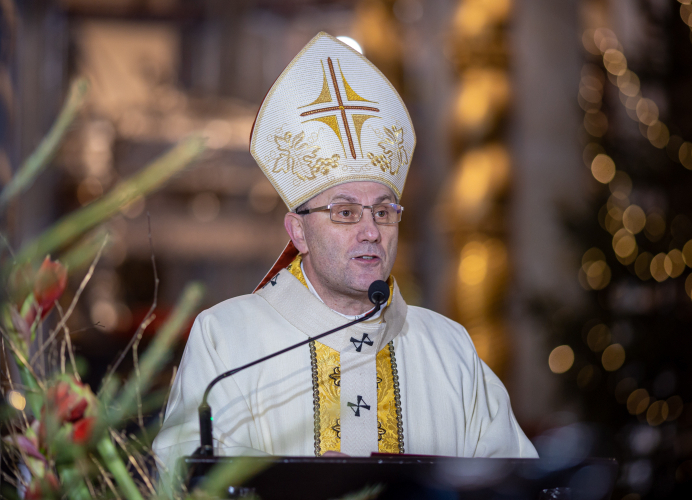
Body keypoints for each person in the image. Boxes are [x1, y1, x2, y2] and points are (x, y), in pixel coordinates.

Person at [152, 32, 537, 477]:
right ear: (299, 231)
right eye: (346, 212)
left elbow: (514, 485)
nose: (371, 231)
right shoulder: (228, 341)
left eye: (384, 211)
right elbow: (184, 480)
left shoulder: (450, 351)